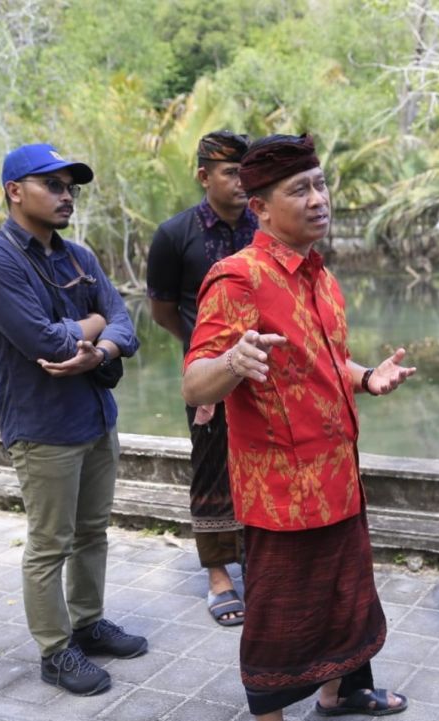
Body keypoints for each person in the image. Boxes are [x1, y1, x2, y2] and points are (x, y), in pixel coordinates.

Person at [181, 134, 414, 721]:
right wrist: (232, 364)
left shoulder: (320, 276)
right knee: (280, 618)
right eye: (299, 190)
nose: (318, 200)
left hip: (339, 475)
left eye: (320, 184)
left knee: (346, 595)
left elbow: (316, 364)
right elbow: (195, 383)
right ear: (259, 206)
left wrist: (367, 376)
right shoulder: (237, 279)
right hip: (282, 492)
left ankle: (339, 694)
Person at [0, 144, 146, 696]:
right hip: (42, 427)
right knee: (49, 543)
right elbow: (44, 342)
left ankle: (87, 624)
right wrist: (92, 323)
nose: (66, 196)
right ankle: (55, 651)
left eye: (71, 187)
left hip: (94, 415)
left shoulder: (79, 257)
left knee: (92, 531)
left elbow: (125, 324)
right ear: (15, 191)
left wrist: (101, 348)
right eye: (53, 185)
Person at [146, 130, 257, 627]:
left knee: (263, 467)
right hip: (209, 376)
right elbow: (164, 309)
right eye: (230, 172)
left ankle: (260, 563)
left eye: (245, 172)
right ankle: (218, 574)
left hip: (265, 374)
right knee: (211, 469)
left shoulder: (266, 225)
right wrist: (199, 350)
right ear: (203, 176)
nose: (240, 181)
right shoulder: (175, 234)